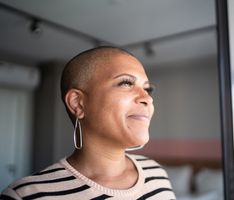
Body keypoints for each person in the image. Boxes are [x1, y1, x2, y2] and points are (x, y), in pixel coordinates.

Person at [0, 46, 175, 200]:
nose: (147, 99)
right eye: (126, 83)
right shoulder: (25, 195)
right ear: (78, 103)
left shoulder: (156, 173)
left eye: (147, 89)